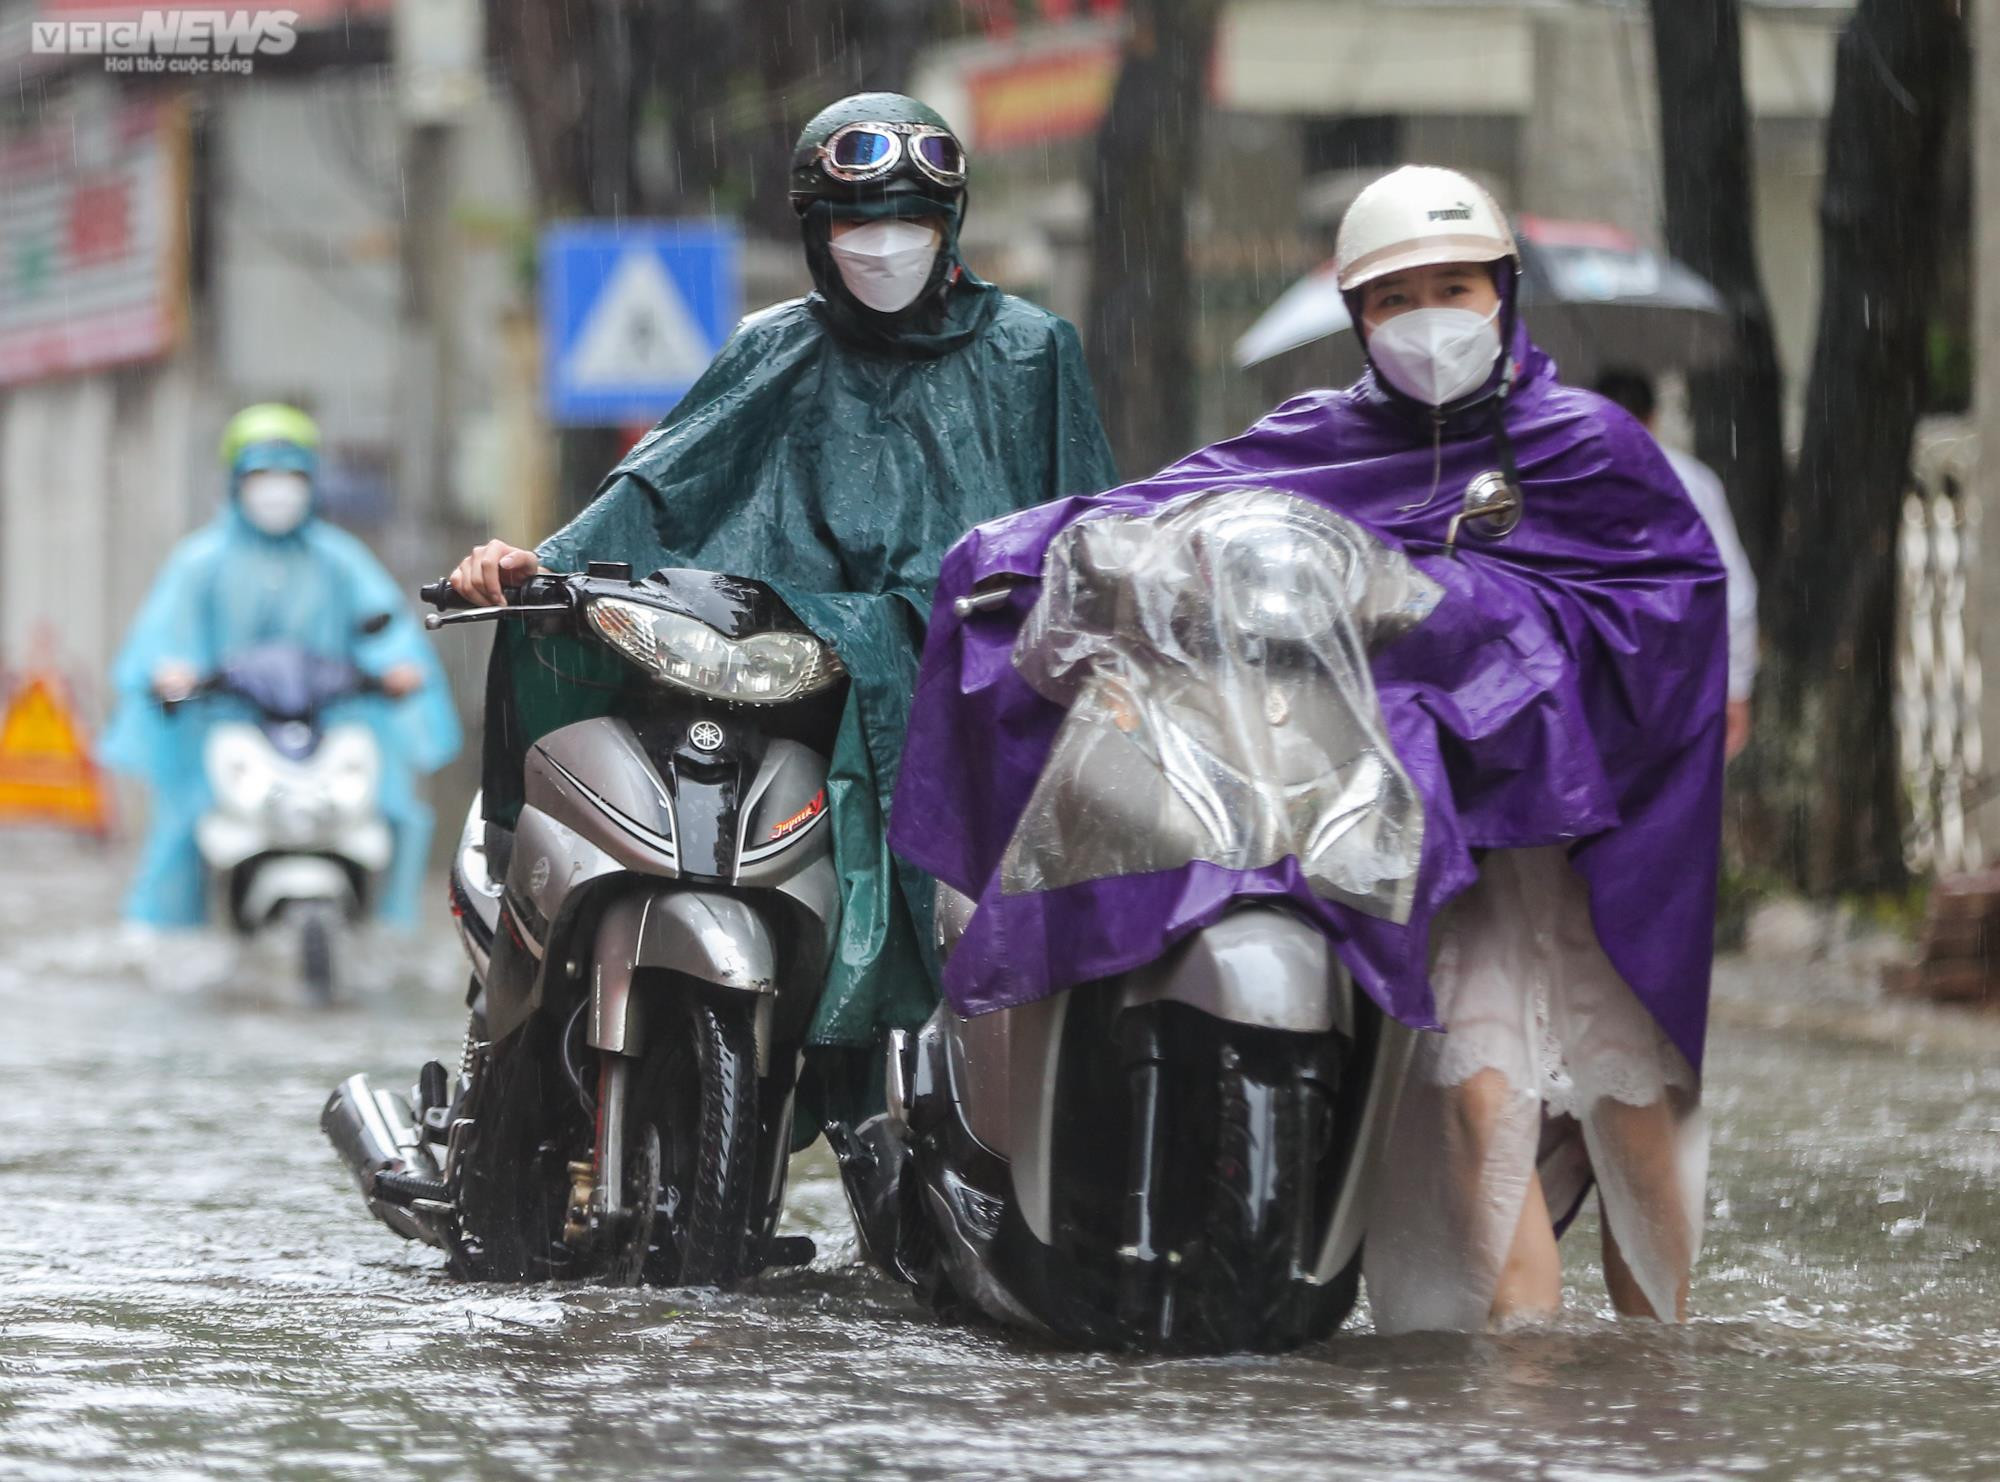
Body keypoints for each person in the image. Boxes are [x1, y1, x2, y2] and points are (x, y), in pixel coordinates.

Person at [892, 165, 1726, 1333]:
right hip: (1426, 853)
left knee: (1633, 1129)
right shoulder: (1319, 441)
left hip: (1586, 864)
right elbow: (1171, 515)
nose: (1429, 317)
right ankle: (1526, 1407)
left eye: (1454, 286)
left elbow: (1666, 627)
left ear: (1503, 292)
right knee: (1478, 1123)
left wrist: (1464, 614)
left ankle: (1655, 1394)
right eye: (1395, 298)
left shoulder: (1592, 450)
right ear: (1357, 318)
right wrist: (1015, 556)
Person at [446, 93, 1117, 1129]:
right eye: (855, 223)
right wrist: (541, 567)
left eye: (910, 218)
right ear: (814, 232)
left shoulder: (1031, 350)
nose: (882, 244)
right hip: (782, 673)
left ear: (951, 226)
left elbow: (1083, 527)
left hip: (973, 688)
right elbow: (661, 488)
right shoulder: (773, 349)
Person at [100, 403, 461, 928]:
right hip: (224, 734)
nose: (277, 489)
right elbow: (164, 638)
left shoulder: (340, 560)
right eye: (261, 475)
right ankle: (166, 943)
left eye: (290, 474)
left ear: (312, 481)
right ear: (235, 480)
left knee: (397, 815)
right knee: (181, 830)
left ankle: (391, 934)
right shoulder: (200, 563)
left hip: (324, 728)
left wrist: (398, 669)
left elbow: (382, 627)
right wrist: (170, 672)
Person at [1594, 369, 1758, 760]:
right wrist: (1736, 684)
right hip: (1678, 676)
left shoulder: (1567, 480)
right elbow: (1732, 589)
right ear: (1652, 416)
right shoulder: (1691, 481)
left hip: (1597, 685)